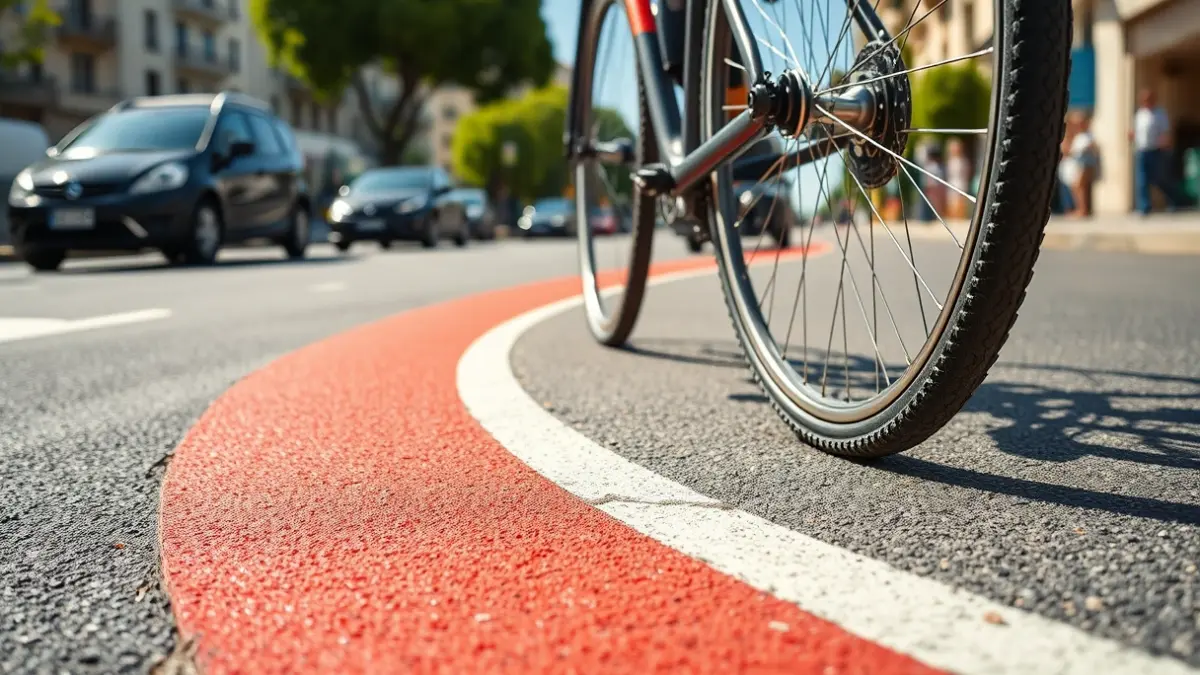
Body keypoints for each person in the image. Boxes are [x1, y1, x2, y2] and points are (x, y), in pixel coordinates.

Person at [1131, 88, 1180, 215]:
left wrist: (1165, 144)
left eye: (1148, 98)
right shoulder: (1139, 114)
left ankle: (1173, 200)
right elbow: (1135, 131)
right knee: (1142, 180)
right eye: (1143, 99)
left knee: (1159, 179)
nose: (1145, 101)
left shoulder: (1159, 113)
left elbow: (1165, 132)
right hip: (1141, 150)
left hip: (1156, 150)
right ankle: (1144, 207)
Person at [1061, 110, 1099, 217]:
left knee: (1080, 187)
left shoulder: (1086, 136)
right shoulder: (1077, 136)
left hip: (1083, 165)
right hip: (1078, 165)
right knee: (1079, 188)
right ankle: (1082, 209)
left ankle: (1083, 209)